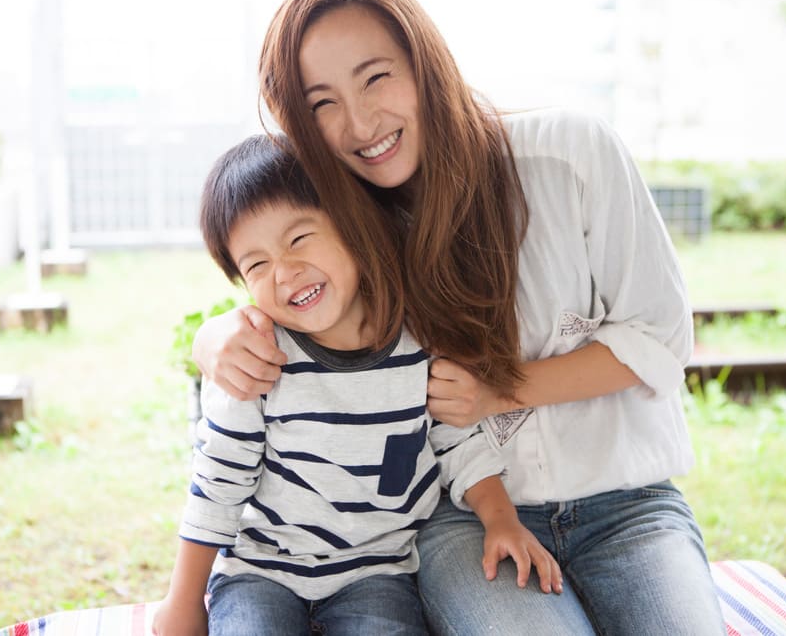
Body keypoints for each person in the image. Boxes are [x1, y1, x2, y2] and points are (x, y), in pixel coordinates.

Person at [191, 0, 728, 634]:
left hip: (630, 505)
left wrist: (495, 394)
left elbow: (661, 338)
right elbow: (282, 276)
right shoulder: (353, 225)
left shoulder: (571, 153)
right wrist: (211, 337)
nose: (361, 123)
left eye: (377, 77)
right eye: (322, 102)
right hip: (464, 517)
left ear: (423, 63)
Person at [152, 134, 562, 636]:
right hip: (260, 571)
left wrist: (500, 519)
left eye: (299, 239)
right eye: (256, 265)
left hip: (376, 574)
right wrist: (182, 601)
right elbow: (218, 482)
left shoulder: (421, 340)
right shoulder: (255, 357)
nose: (285, 272)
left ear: (350, 224)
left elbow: (458, 441)